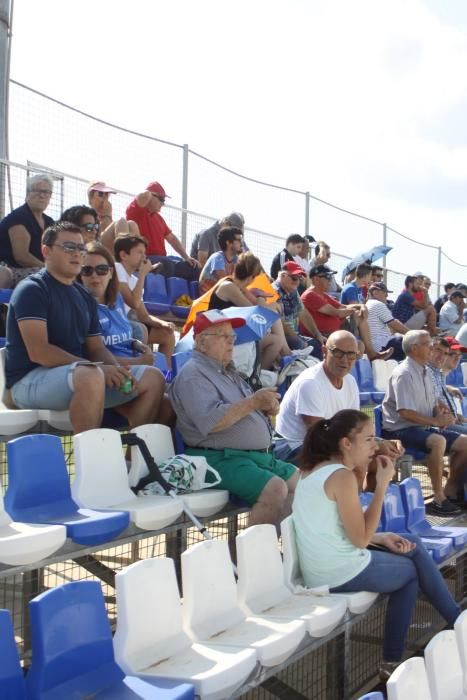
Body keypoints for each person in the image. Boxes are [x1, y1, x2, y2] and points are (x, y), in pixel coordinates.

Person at [293, 409, 460, 682]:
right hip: (336, 571)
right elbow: (358, 538)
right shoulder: (342, 477)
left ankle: (453, 623)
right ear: (347, 443)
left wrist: (380, 538)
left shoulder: (314, 470)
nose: (375, 445)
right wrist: (382, 485)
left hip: (326, 564)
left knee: (411, 542)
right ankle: (399, 656)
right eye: (369, 439)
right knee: (409, 573)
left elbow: (338, 527)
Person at [4, 222, 166, 434]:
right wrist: (98, 368)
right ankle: (90, 462)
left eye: (81, 248)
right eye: (69, 247)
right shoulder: (32, 289)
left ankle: (131, 459)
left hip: (77, 376)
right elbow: (39, 352)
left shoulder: (84, 297)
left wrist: (116, 369)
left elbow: (96, 348)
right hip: (27, 381)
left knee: (153, 378)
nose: (77, 254)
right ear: (46, 251)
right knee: (91, 375)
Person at [169, 310, 298, 526]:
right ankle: (255, 557)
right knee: (275, 489)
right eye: (223, 336)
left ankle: (279, 553)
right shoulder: (193, 374)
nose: (231, 342)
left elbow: (243, 409)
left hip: (251, 456)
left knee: (302, 483)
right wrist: (254, 402)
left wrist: (264, 409)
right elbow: (212, 421)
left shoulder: (227, 371)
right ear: (201, 342)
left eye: (233, 336)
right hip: (217, 458)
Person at [275, 330, 404, 471]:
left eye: (351, 355)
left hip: (324, 443)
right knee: (348, 463)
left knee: (381, 460)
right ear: (324, 351)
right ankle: (347, 492)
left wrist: (378, 443)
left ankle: (361, 493)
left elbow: (354, 427)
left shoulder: (350, 381)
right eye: (338, 352)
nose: (344, 360)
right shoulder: (310, 383)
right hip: (294, 446)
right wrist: (375, 446)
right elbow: (318, 435)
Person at [381, 330, 467, 514]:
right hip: (399, 431)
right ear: (414, 348)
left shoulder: (425, 371)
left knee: (465, 443)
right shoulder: (404, 373)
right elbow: (404, 413)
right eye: (428, 345)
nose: (432, 348)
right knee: (438, 441)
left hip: (421, 428)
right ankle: (438, 499)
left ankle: (450, 492)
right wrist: (436, 420)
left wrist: (441, 411)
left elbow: (433, 400)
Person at [208, 251, 290, 369]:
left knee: (273, 322)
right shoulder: (229, 287)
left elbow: (259, 308)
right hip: (221, 337)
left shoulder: (239, 288)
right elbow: (255, 312)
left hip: (232, 333)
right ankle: (259, 375)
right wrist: (264, 302)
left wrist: (268, 304)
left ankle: (284, 358)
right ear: (252, 277)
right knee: (276, 340)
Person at [301, 265, 393, 361]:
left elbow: (343, 307)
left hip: (335, 331)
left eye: (331, 277)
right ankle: (371, 355)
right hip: (324, 335)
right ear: (316, 279)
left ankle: (371, 354)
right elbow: (338, 313)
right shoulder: (310, 295)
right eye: (327, 277)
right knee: (359, 340)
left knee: (360, 342)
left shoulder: (322, 294)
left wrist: (361, 306)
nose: (331, 280)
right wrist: (355, 309)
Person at [113, 234, 176, 367]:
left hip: (127, 323)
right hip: (115, 323)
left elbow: (144, 315)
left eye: (144, 253)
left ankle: (166, 374)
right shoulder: (117, 268)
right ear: (124, 255)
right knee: (140, 329)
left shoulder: (135, 280)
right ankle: (142, 369)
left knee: (168, 334)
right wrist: (143, 274)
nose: (144, 257)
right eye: (139, 252)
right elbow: (133, 302)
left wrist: (163, 323)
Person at [125, 181, 200, 279]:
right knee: (166, 263)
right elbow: (143, 196)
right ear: (150, 197)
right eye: (161, 199)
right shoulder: (136, 211)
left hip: (162, 261)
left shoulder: (159, 218)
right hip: (145, 260)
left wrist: (186, 257)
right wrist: (150, 193)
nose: (163, 203)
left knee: (193, 268)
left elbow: (172, 239)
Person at [0, 173, 54, 288]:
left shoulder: (49, 222)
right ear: (28, 193)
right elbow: (21, 257)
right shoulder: (19, 217)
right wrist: (49, 268)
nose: (42, 195)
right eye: (37, 191)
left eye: (46, 192)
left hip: (40, 269)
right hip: (11, 270)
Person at [273, 262, 324, 357]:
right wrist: (299, 340)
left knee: (318, 344)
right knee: (302, 345)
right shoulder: (273, 291)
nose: (297, 282)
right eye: (294, 278)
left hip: (294, 335)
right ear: (283, 275)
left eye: (299, 279)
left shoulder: (292, 290)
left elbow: (303, 313)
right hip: (282, 337)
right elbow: (280, 324)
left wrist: (317, 334)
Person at [87, 181, 139, 253]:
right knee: (121, 222)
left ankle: (135, 259)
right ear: (91, 199)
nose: (104, 198)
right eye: (100, 194)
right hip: (93, 248)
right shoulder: (87, 214)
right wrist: (107, 215)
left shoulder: (105, 217)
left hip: (108, 249)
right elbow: (94, 234)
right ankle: (124, 259)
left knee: (132, 224)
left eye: (107, 194)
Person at [366, 282, 408, 360]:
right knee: (409, 342)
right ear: (375, 293)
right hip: (382, 347)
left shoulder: (368, 304)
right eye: (385, 293)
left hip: (377, 345)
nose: (387, 296)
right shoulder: (377, 304)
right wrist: (412, 334)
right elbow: (394, 324)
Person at [198, 226, 243, 293]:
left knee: (252, 293)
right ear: (228, 243)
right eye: (239, 240)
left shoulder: (235, 259)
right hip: (208, 297)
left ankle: (256, 303)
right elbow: (224, 281)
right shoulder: (217, 258)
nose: (241, 244)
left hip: (221, 294)